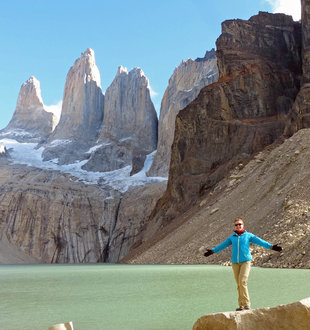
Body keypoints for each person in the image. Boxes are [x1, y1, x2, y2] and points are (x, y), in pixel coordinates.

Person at [203, 216, 282, 311]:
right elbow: (223, 245)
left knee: (242, 282)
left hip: (246, 262)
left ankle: (247, 304)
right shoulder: (232, 238)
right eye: (236, 225)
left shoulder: (248, 235)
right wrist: (213, 251)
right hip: (235, 263)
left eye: (239, 224)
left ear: (243, 225)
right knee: (239, 284)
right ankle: (241, 305)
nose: (238, 226)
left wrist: (271, 247)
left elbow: (260, 241)